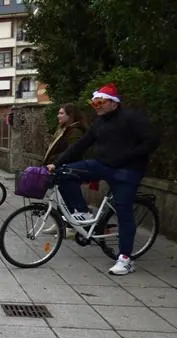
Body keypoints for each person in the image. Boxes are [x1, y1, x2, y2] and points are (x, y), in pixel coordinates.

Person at [48, 84, 159, 275]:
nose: (96, 106)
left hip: (127, 170)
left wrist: (128, 156)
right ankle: (84, 214)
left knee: (124, 210)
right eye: (94, 103)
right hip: (102, 165)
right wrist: (57, 163)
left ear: (113, 103)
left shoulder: (131, 119)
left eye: (100, 102)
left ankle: (125, 259)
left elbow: (152, 140)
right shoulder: (99, 122)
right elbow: (82, 144)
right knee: (65, 173)